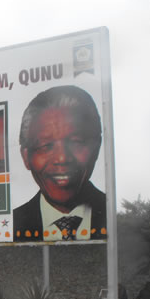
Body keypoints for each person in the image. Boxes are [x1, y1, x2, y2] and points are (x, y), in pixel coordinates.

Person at [13, 85, 106, 242]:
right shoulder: (11, 225)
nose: (62, 158)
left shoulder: (117, 218)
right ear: (26, 157)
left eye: (76, 142)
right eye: (46, 146)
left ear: (96, 148)